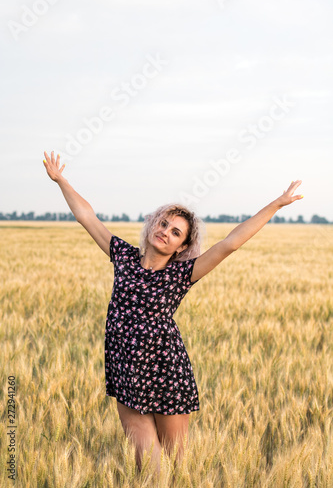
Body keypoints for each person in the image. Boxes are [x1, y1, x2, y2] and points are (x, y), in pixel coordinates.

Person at [43, 150, 304, 477]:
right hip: (125, 368)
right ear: (153, 224)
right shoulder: (123, 257)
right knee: (149, 472)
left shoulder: (181, 274)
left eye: (175, 232)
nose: (165, 231)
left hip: (167, 373)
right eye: (163, 223)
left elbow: (230, 244)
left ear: (181, 246)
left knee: (179, 468)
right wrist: (61, 180)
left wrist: (276, 204)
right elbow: (87, 217)